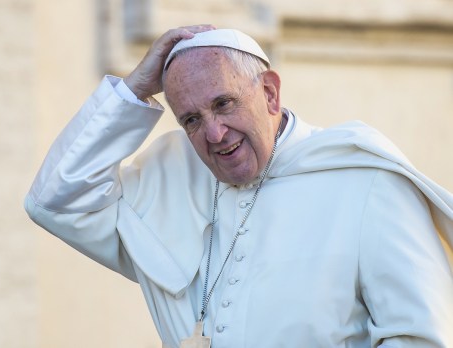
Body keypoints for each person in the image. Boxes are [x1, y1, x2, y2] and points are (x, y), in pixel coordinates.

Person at [25, 25, 453, 347]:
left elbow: (420, 338)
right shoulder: (165, 181)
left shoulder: (369, 182)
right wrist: (133, 90)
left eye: (224, 104)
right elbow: (54, 202)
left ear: (269, 93)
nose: (214, 134)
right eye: (191, 119)